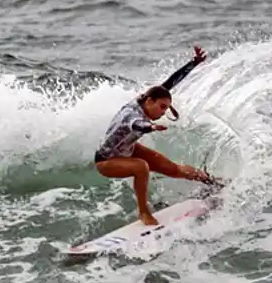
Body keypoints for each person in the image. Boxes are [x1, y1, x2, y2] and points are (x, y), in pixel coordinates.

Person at [93, 45, 220, 226]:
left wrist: (193, 63)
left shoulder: (146, 98)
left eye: (166, 108)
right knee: (141, 166)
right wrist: (150, 127)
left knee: (174, 169)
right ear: (150, 101)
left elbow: (169, 83)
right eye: (161, 107)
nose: (163, 112)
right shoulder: (131, 114)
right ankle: (144, 213)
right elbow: (136, 125)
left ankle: (214, 183)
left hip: (128, 149)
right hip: (106, 160)